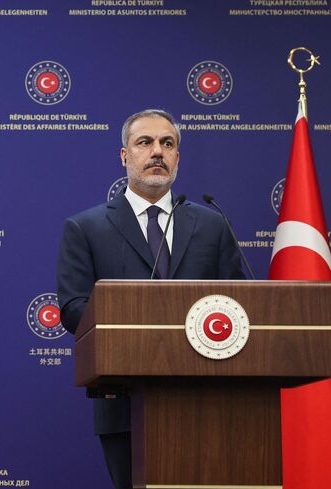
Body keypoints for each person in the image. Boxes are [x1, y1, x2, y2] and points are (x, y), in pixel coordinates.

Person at [55, 109, 244, 489]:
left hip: (208, 402)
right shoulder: (86, 227)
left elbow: (239, 304)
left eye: (167, 144)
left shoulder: (212, 224)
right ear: (125, 156)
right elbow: (74, 310)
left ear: (177, 157)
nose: (157, 152)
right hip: (126, 405)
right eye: (145, 143)